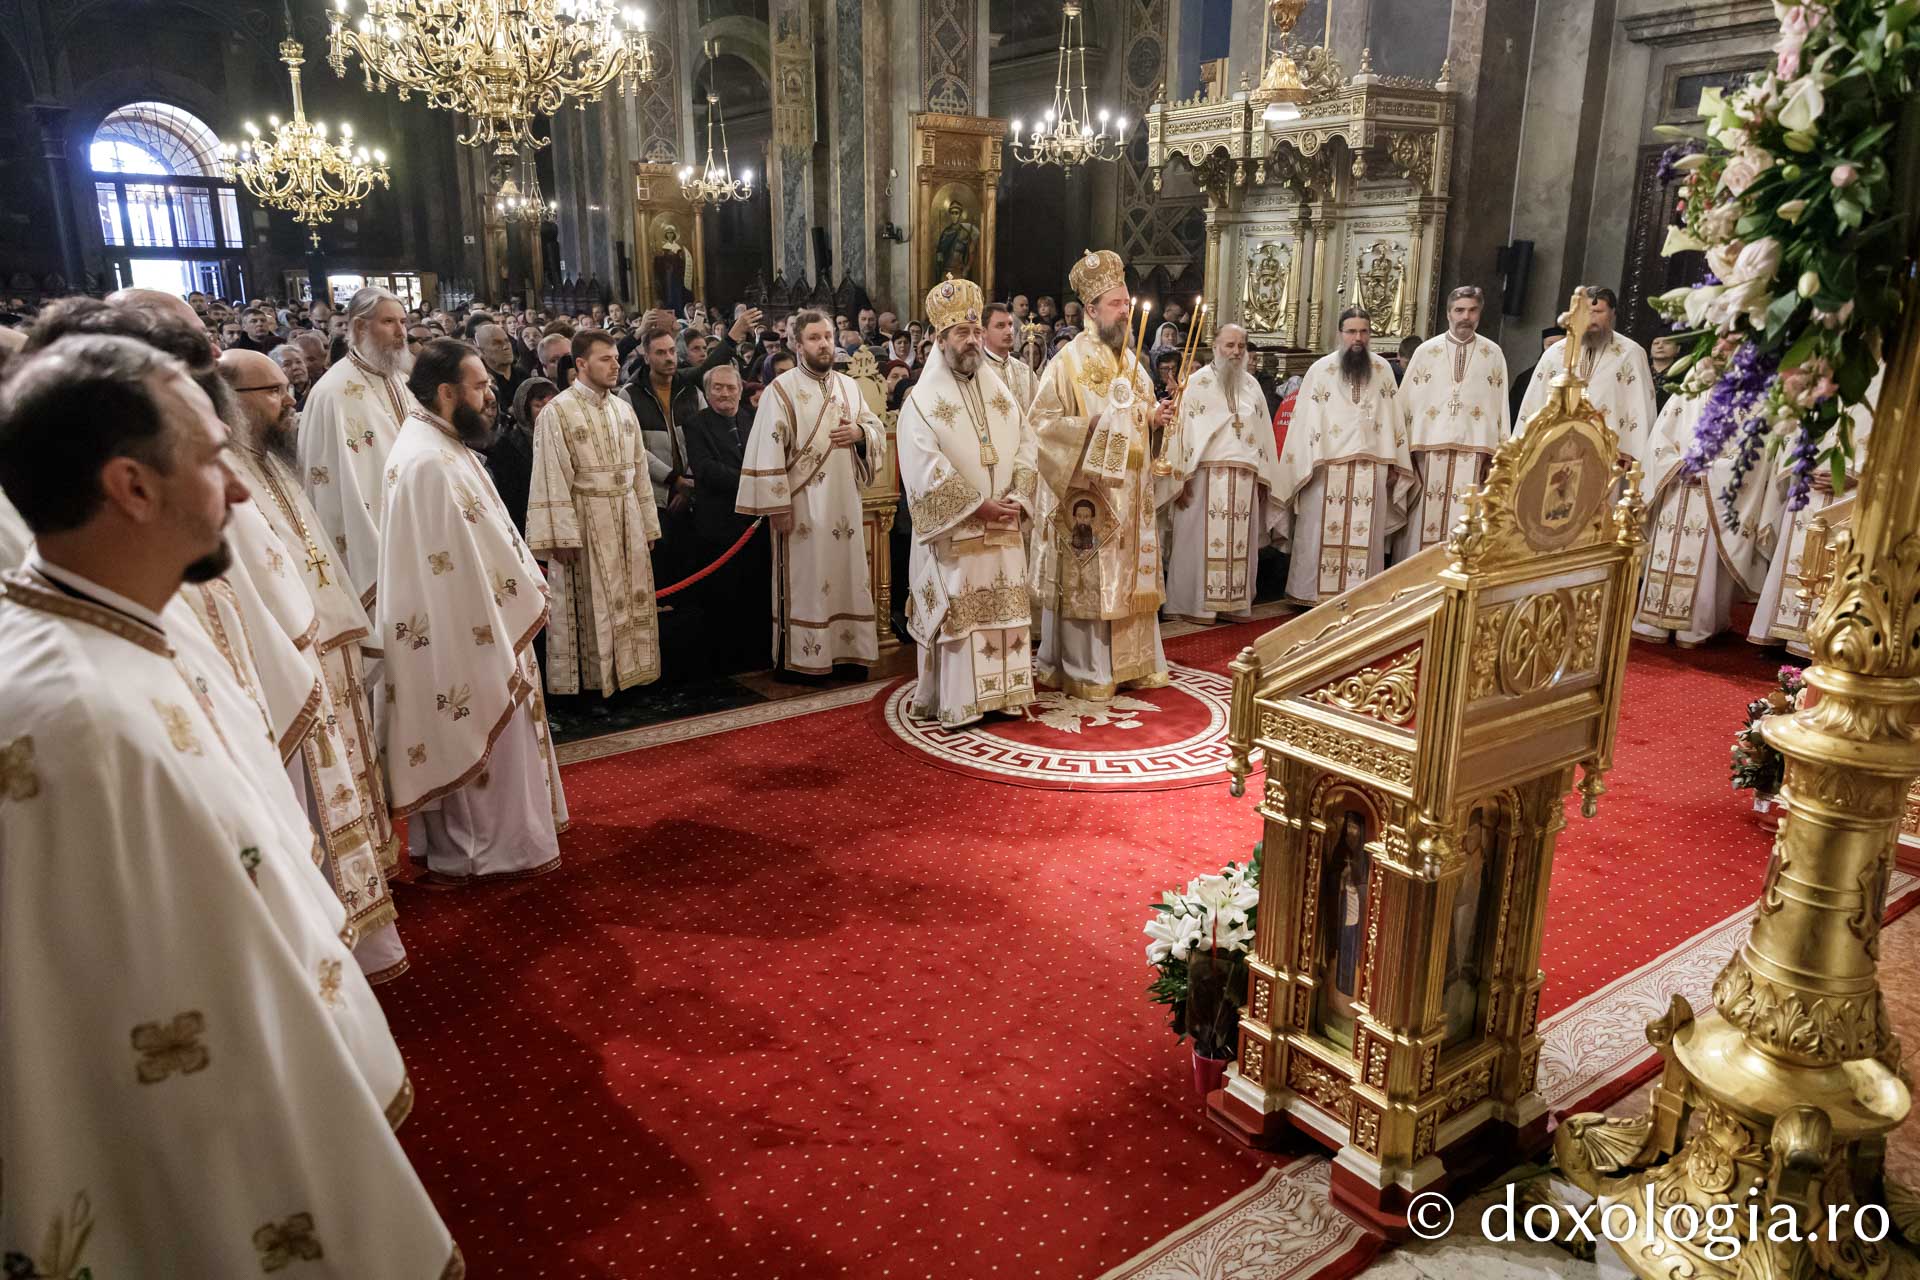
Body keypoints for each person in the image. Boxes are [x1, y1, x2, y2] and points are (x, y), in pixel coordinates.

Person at [0, 333, 460, 1276]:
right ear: (133, 487)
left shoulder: (112, 627)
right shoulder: (83, 718)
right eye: (214, 461)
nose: (242, 494)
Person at [219, 349, 409, 979]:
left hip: (331, 635)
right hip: (293, 654)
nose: (289, 400)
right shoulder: (224, 474)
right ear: (232, 400)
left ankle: (366, 890)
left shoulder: (273, 461)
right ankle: (336, 914)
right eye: (273, 391)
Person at [382, 338, 566, 883]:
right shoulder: (429, 461)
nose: (490, 396)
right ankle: (483, 852)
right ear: (446, 392)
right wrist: (512, 609)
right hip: (467, 631)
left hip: (486, 619)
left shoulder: (441, 443)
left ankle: (504, 840)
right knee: (483, 735)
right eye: (480, 385)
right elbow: (452, 569)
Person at [1027, 249, 1174, 700]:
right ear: (1091, 310)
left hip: (1133, 496)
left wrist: (1156, 418)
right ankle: (1086, 668)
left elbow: (1138, 416)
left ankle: (1134, 663)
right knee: (1092, 577)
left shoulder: (1133, 364)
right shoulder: (1067, 362)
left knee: (1129, 578)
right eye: (1116, 304)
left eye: (1127, 303)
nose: (1125, 311)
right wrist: (1085, 427)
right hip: (1091, 493)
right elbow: (1040, 426)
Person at [896, 278, 1036, 726]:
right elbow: (923, 466)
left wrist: (1018, 497)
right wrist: (978, 506)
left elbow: (1027, 444)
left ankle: (1004, 695)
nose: (972, 340)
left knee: (1002, 609)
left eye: (976, 331)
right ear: (941, 340)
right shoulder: (921, 401)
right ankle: (957, 701)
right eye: (962, 332)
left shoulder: (1001, 393)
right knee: (961, 615)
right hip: (956, 533)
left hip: (1003, 525)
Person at [735, 308, 884, 677]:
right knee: (807, 580)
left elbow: (873, 426)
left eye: (828, 337)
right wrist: (776, 506)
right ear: (797, 345)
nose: (824, 344)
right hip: (802, 507)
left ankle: (848, 654)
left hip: (844, 503)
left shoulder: (849, 386)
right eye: (814, 338)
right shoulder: (780, 390)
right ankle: (804, 660)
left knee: (848, 575)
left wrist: (861, 434)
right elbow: (768, 448)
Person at [528, 330, 662, 707]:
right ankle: (593, 688)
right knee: (591, 604)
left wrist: (648, 523)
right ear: (581, 364)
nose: (615, 365)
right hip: (585, 519)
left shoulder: (623, 409)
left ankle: (631, 677)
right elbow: (550, 475)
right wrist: (560, 535)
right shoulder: (558, 411)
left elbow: (639, 470)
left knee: (631, 598)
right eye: (606, 359)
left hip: (627, 516)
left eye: (616, 358)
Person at [1275, 308, 1418, 605]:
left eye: (1364, 331)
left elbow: (1394, 420)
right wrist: (1303, 465)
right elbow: (1303, 423)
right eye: (1351, 331)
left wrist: (1395, 461)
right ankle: (1312, 596)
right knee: (1318, 534)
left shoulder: (1383, 370)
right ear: (1340, 334)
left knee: (1364, 537)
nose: (1358, 338)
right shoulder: (1320, 370)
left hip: (1372, 469)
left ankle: (1361, 597)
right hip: (1325, 470)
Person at [1156, 324, 1285, 625]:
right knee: (1197, 544)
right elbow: (1179, 436)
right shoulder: (1195, 384)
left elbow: (1263, 437)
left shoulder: (1252, 386)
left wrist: (1265, 479)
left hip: (1244, 481)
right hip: (1202, 479)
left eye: (1241, 346)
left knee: (1238, 546)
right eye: (1229, 345)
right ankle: (1194, 606)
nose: (1236, 352)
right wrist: (1179, 480)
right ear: (1215, 347)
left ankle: (1233, 605)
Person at [299, 286, 418, 610]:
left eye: (403, 322)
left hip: (415, 524)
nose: (401, 332)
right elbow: (327, 486)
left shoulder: (400, 381)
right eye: (389, 322)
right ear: (360, 327)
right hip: (369, 535)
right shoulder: (332, 393)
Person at [1634, 391, 1780, 647]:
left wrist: (1709, 471)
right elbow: (1659, 438)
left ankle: (1695, 626)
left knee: (1706, 559)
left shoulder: (1753, 398)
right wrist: (1677, 465)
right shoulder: (1689, 389)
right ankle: (1653, 622)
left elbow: (1754, 452)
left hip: (1713, 494)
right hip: (1675, 485)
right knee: (1665, 551)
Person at [1747, 378, 1877, 652]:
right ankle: (1783, 633)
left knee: (1840, 560)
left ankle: (1822, 643)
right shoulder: (1830, 373)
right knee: (1797, 553)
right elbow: (1799, 428)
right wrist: (1802, 464)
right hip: (1810, 484)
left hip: (1856, 492)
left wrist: (1857, 473)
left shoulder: (1896, 379)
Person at [1394, 286, 1511, 558]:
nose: (1465, 317)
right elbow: (1405, 406)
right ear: (1448, 313)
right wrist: (1401, 453)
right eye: (1459, 310)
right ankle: (1415, 579)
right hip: (1426, 456)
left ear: (1480, 313)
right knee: (1420, 525)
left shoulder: (1493, 354)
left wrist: (1498, 456)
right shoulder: (1426, 352)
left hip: (1474, 457)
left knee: (1465, 518)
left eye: (1472, 310)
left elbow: (1500, 407)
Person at [684, 362, 771, 672]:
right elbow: (705, 469)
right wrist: (753, 481)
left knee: (755, 592)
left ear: (739, 390)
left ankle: (758, 655)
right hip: (719, 526)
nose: (724, 393)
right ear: (707, 392)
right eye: (717, 388)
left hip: (755, 525)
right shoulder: (696, 424)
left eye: (730, 387)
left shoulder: (753, 419)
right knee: (723, 598)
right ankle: (727, 663)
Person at [1517, 287, 1655, 463]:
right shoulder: (1555, 353)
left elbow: (1640, 405)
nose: (1591, 318)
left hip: (1609, 454)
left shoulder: (1631, 353)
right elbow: (1535, 400)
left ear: (1613, 313)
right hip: (1556, 450)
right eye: (1586, 312)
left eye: (1598, 312)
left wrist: (1633, 451)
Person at [490, 376, 556, 537]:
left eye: (552, 404)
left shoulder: (564, 438)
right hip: (526, 526)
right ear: (524, 410)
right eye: (538, 405)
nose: (547, 411)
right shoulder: (507, 446)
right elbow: (510, 499)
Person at [980, 301, 1038, 411]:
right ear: (983, 332)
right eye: (1000, 326)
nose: (1009, 331)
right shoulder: (976, 373)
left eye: (1010, 324)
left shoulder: (1026, 372)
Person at [475, 321, 526, 429]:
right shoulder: (479, 383)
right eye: (497, 343)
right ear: (482, 351)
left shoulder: (523, 374)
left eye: (507, 341)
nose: (505, 347)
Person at [1510, 325, 1564, 424]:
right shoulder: (1525, 378)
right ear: (1543, 347)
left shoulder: (1575, 376)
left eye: (1559, 345)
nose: (1555, 350)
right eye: (1550, 345)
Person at [271, 340, 311, 407]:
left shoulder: (319, 385)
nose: (295, 367)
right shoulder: (275, 396)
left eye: (299, 362)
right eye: (287, 364)